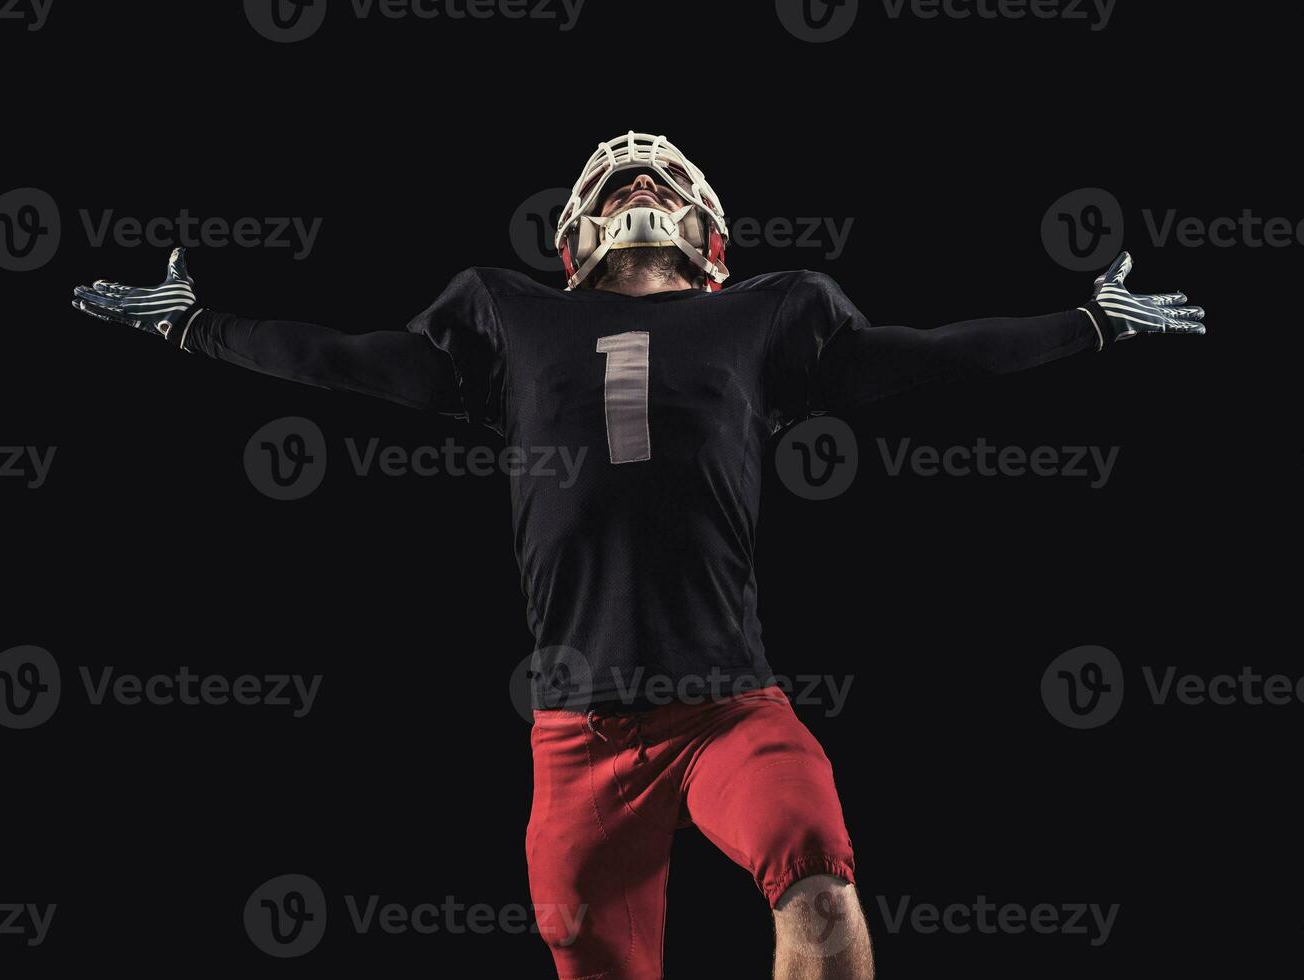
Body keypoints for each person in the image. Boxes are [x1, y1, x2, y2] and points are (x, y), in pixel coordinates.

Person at [71, 131, 1206, 980]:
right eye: (616, 181)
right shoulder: (507, 318)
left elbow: (933, 356)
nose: (638, 185)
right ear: (570, 235)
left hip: (729, 709)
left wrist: (1086, 322)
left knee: (820, 894)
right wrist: (197, 322)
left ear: (710, 234)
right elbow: (347, 360)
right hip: (578, 731)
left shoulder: (766, 316)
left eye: (658, 179)